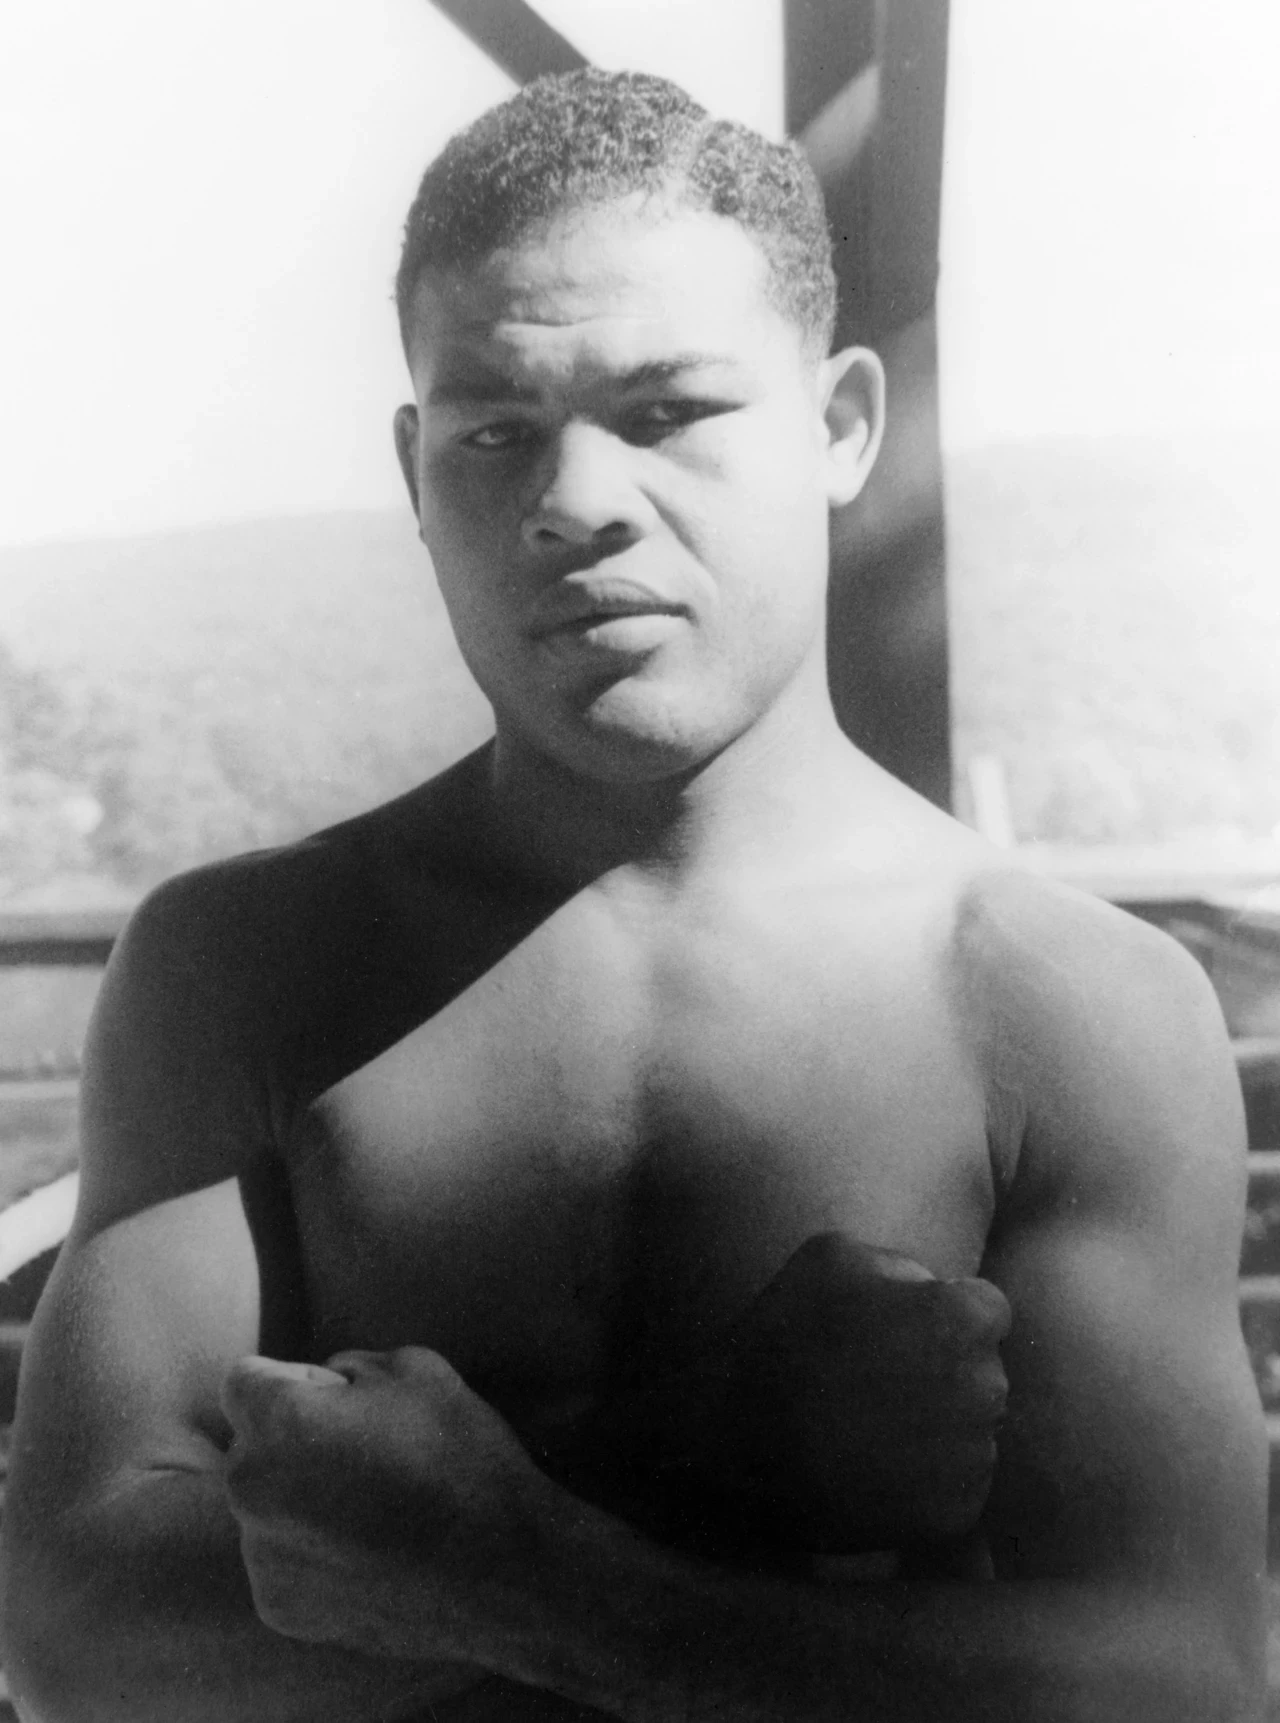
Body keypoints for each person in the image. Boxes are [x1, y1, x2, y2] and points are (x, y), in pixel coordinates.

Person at [0, 69, 1266, 1723]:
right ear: (414, 465)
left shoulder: (1057, 1005)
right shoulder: (247, 969)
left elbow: (1178, 1679)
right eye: (496, 433)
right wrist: (703, 1455)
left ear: (841, 427)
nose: (576, 501)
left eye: (668, 412)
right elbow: (78, 1636)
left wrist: (511, 1563)